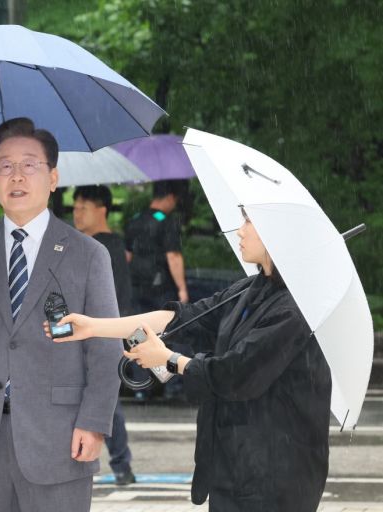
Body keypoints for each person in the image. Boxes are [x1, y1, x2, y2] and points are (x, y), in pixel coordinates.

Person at [47, 208, 332, 511]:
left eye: (249, 221)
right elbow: (180, 318)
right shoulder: (249, 288)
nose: (240, 231)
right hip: (234, 464)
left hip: (278, 473)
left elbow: (235, 373)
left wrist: (170, 360)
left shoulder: (294, 308)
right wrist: (93, 326)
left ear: (276, 233)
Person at [0, 118, 122, 512]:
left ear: (52, 178)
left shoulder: (87, 255)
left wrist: (95, 421)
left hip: (60, 436)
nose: (16, 176)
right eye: (5, 166)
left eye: (29, 165)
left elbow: (106, 347)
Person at [72, 185, 135, 486]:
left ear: (102, 210)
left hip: (101, 333)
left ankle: (121, 464)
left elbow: (115, 298)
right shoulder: (113, 245)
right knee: (104, 397)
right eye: (75, 207)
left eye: (83, 207)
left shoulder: (100, 248)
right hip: (102, 330)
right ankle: (121, 464)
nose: (76, 213)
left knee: (105, 398)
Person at [125, 179, 189, 312]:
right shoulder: (167, 222)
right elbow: (173, 257)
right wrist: (182, 289)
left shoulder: (136, 219)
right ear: (171, 197)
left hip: (135, 283)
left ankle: (139, 334)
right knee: (162, 325)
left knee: (139, 325)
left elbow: (127, 255)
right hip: (160, 287)